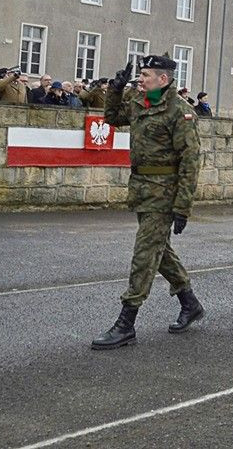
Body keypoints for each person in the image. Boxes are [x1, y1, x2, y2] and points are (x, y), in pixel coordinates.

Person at [91, 55, 203, 350]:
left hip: (164, 194)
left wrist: (183, 206)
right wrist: (115, 89)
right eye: (139, 75)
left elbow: (190, 161)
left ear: (163, 79)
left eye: (146, 75)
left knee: (144, 254)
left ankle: (126, 323)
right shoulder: (140, 101)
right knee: (158, 250)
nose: (140, 80)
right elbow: (113, 118)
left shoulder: (180, 111)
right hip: (142, 189)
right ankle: (190, 303)